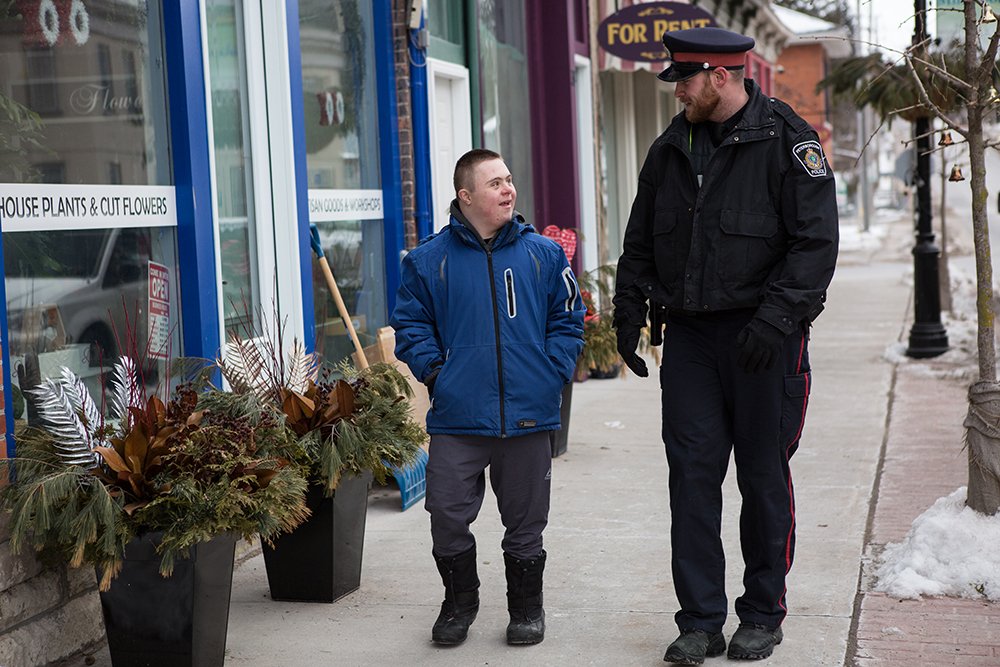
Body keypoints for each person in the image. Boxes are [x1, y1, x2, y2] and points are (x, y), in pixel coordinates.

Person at [612, 27, 839, 664]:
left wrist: (775, 322)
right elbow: (639, 240)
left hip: (762, 339)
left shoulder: (788, 141)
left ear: (719, 74)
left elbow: (815, 245)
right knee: (691, 478)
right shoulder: (670, 147)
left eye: (683, 78)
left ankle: (763, 612)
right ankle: (701, 620)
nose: (676, 90)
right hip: (688, 338)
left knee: (763, 477)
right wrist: (628, 312)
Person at [390, 148, 585, 647]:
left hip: (527, 416)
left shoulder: (543, 254)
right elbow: (411, 326)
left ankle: (526, 610)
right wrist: (438, 373)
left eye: (510, 179)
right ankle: (460, 604)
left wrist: (552, 372)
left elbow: (567, 319)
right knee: (447, 513)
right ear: (466, 195)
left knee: (525, 524)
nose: (508, 189)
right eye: (495, 182)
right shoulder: (429, 260)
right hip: (459, 416)